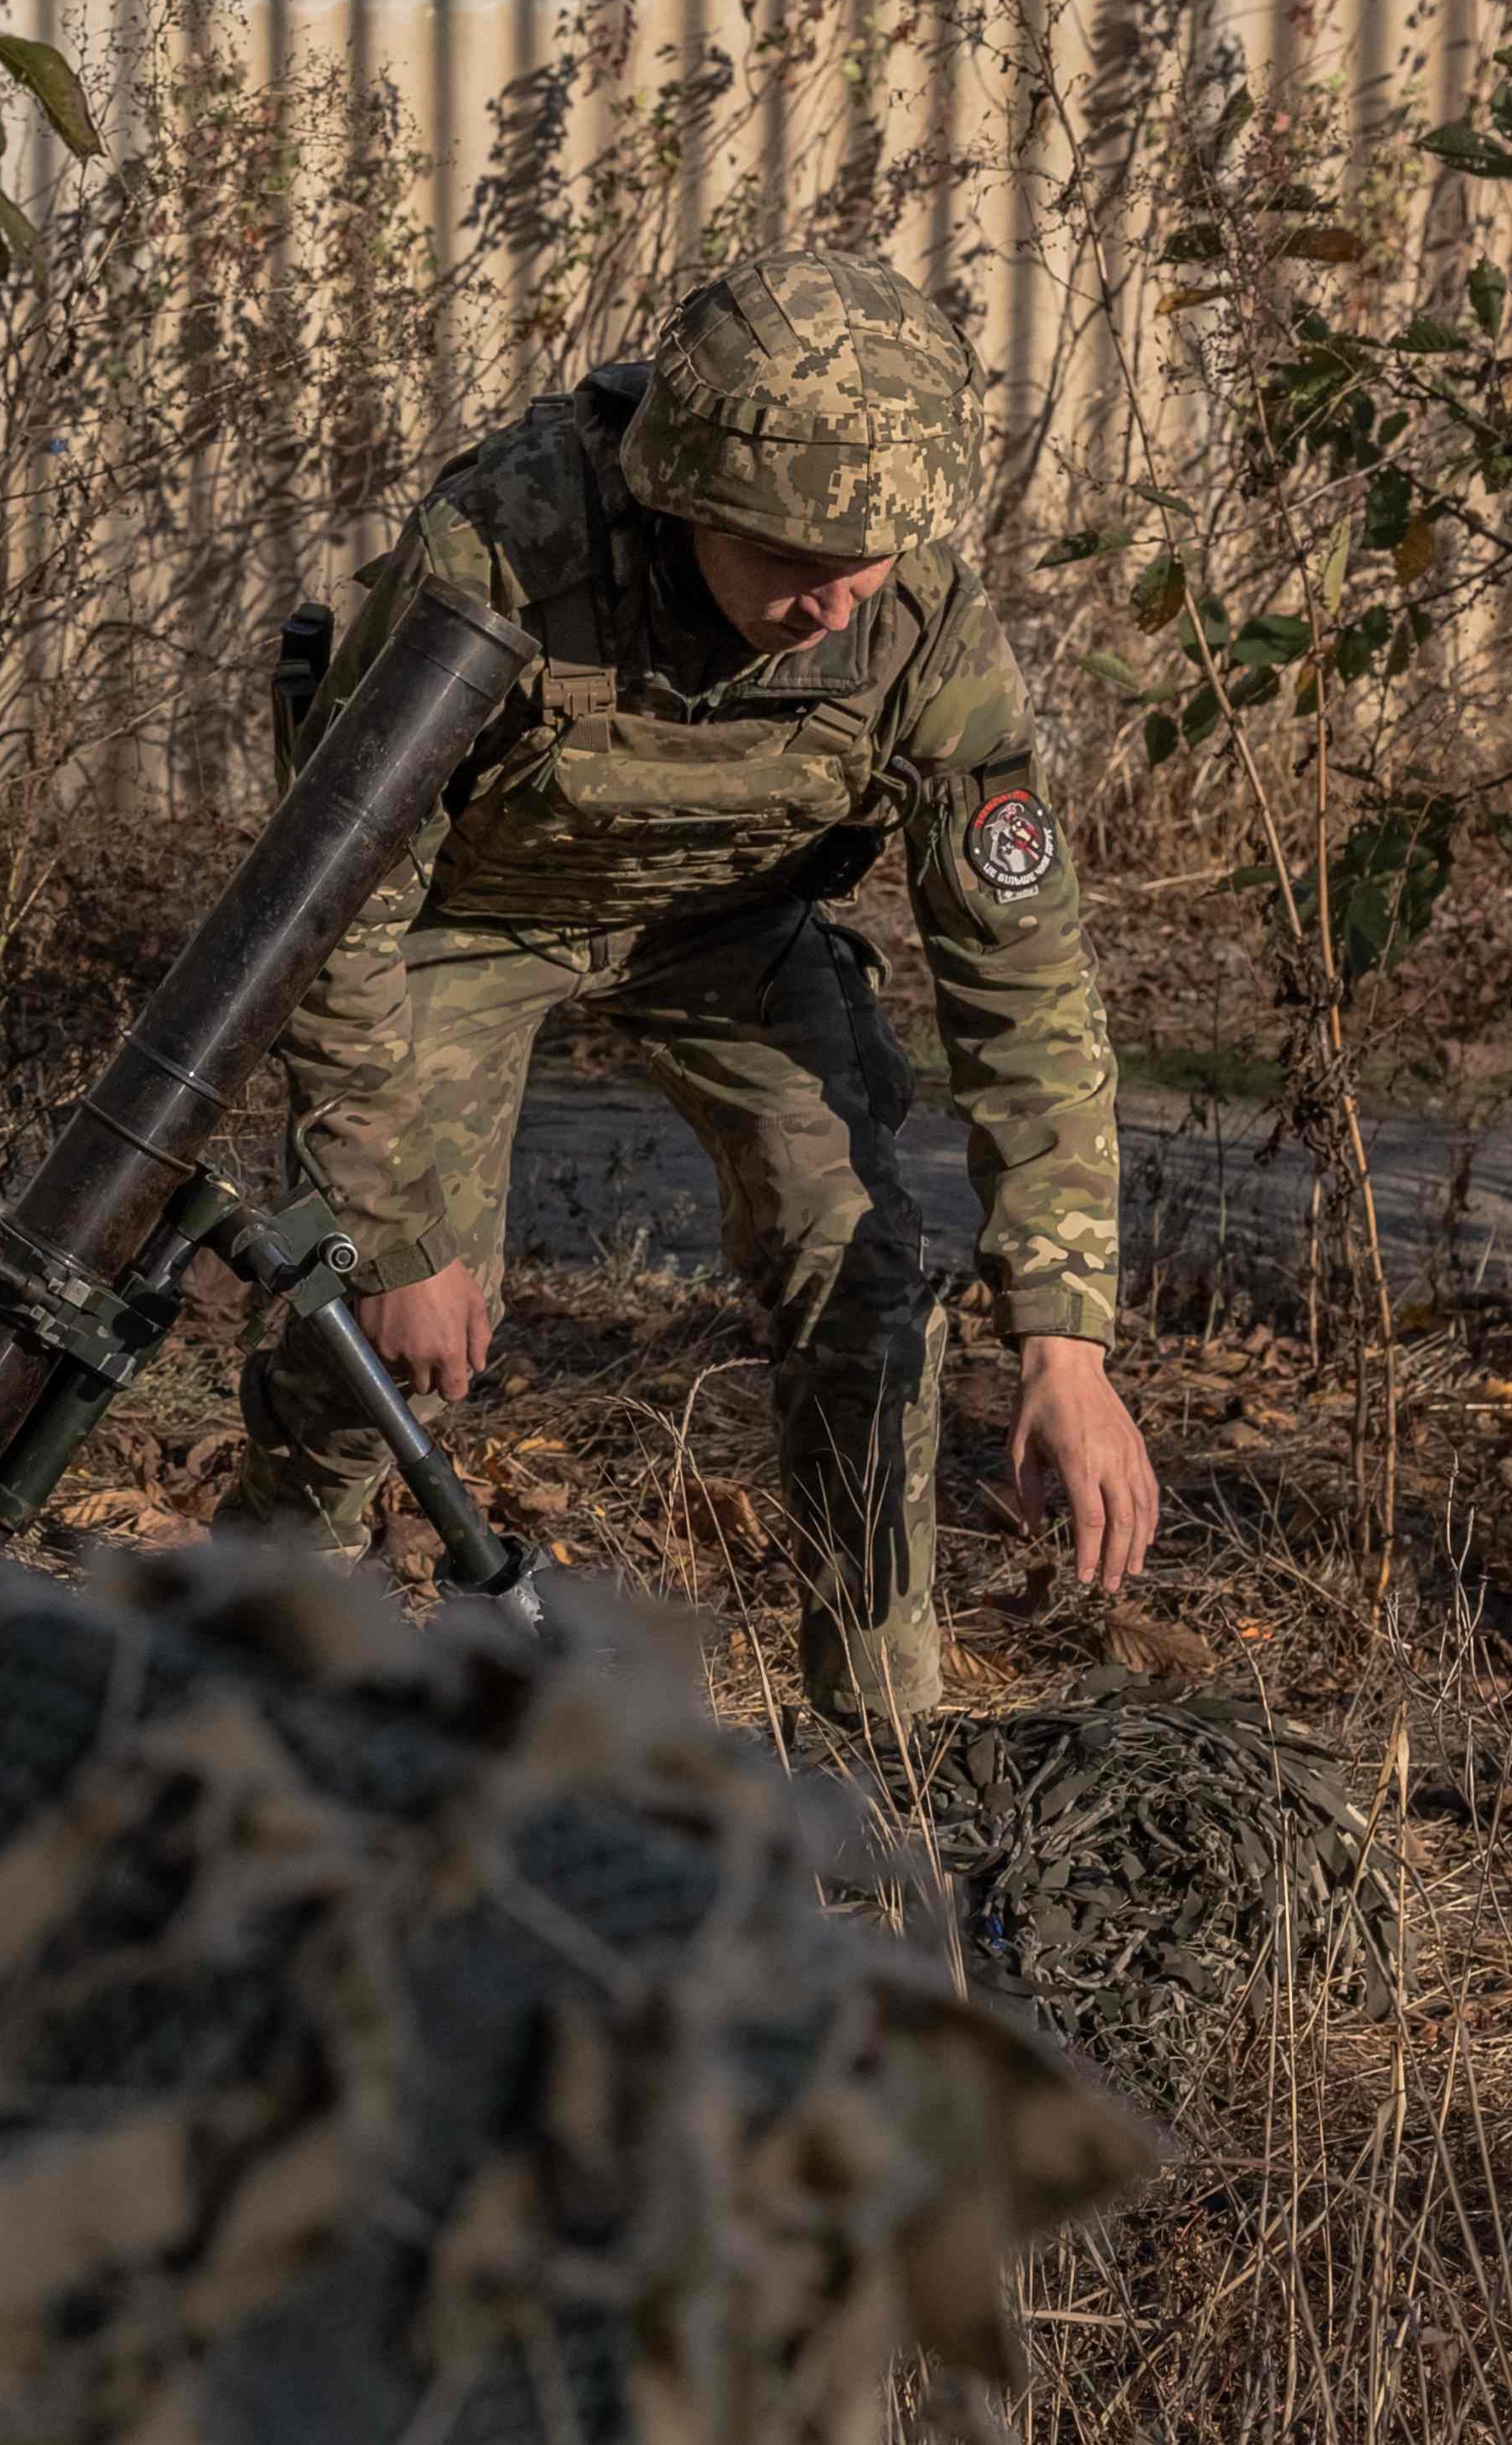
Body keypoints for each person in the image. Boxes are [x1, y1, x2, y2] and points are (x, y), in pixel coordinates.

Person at [228, 249, 1154, 1726]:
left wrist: (1066, 1335)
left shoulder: (915, 620)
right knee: (361, 1327)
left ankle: (879, 1721)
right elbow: (331, 910)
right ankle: (250, 1668)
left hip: (730, 927)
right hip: (465, 920)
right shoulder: (506, 545)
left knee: (857, 1262)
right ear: (681, 496)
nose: (829, 602)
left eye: (862, 560)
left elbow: (1024, 980)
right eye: (786, 557)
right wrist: (394, 1230)